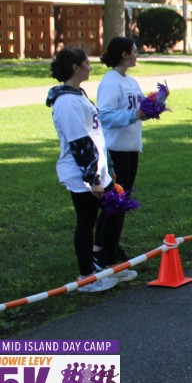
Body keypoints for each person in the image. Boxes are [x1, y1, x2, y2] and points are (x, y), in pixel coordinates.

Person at [46, 48, 120, 293]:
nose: (90, 67)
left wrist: (108, 168)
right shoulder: (66, 102)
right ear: (75, 67)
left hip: (99, 171)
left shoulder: (78, 95)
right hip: (83, 176)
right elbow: (79, 142)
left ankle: (110, 264)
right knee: (86, 222)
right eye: (87, 63)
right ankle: (86, 277)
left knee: (115, 210)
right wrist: (93, 179)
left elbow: (97, 135)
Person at [94, 37, 146, 277]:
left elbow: (140, 108)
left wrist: (156, 103)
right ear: (124, 54)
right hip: (116, 151)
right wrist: (133, 115)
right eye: (134, 51)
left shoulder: (131, 81)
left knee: (120, 204)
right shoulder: (110, 82)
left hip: (131, 148)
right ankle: (104, 255)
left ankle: (111, 250)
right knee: (115, 204)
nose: (137, 54)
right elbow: (104, 116)